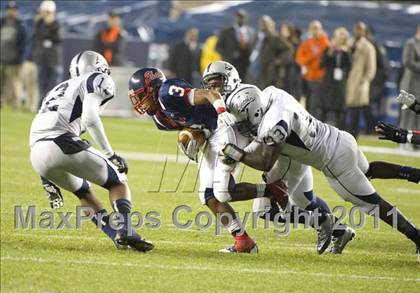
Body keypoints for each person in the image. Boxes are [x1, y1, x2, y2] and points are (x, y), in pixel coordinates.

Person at [127, 65, 317, 253]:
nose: (139, 102)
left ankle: (272, 191)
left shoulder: (167, 93)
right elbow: (197, 127)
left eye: (141, 94)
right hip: (212, 134)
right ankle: (243, 241)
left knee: (223, 191)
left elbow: (211, 94)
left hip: (225, 126)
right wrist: (192, 140)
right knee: (207, 195)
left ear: (152, 88)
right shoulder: (160, 119)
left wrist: (221, 112)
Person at [220, 79, 420, 255]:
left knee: (373, 204)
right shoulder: (271, 95)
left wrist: (235, 153)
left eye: (243, 119)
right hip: (339, 138)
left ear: (253, 110)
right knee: (367, 171)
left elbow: (265, 162)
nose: (242, 125)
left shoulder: (273, 125)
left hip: (333, 161)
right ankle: (413, 175)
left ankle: (416, 237)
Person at [202, 61, 351, 254]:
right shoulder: (235, 97)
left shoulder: (243, 98)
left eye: (216, 83)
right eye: (209, 85)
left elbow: (262, 154)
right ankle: (340, 231)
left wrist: (233, 153)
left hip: (285, 155)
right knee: (305, 201)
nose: (213, 89)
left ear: (229, 79)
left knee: (264, 210)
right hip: (292, 151)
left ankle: (322, 221)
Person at [29, 50, 153, 252]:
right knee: (118, 180)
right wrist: (110, 153)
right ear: (100, 66)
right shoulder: (97, 79)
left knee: (83, 192)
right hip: (61, 141)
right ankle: (126, 230)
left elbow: (40, 128)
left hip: (36, 154)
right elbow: (90, 117)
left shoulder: (58, 88)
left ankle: (116, 237)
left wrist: (46, 178)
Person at [346, 22, 376, 139]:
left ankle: (354, 136)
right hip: (347, 82)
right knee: (346, 111)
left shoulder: (368, 47)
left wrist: (364, 81)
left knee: (356, 112)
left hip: (358, 83)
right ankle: (345, 136)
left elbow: (371, 68)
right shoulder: (349, 43)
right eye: (356, 29)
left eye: (360, 29)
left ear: (364, 31)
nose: (358, 31)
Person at [296, 20, 330, 119]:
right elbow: (299, 59)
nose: (315, 31)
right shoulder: (307, 43)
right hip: (308, 78)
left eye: (317, 28)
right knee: (308, 102)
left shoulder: (325, 42)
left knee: (315, 104)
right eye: (313, 28)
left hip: (320, 78)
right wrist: (311, 57)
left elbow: (325, 60)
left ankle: (315, 125)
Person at [247, 16, 292, 89]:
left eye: (265, 23)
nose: (263, 25)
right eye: (262, 23)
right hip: (253, 70)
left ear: (270, 24)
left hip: (267, 72)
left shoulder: (275, 37)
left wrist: (278, 61)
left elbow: (288, 49)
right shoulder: (257, 36)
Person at [320, 27, 351, 129]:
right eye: (338, 37)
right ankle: (320, 133)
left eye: (342, 38)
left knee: (341, 110)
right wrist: (331, 51)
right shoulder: (328, 50)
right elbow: (322, 64)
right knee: (324, 109)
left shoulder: (347, 52)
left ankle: (341, 134)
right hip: (329, 84)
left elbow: (350, 66)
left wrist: (346, 52)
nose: (339, 40)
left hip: (341, 85)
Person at [34, 0, 62, 109]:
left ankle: (52, 107)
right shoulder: (39, 23)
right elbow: (39, 36)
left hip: (53, 60)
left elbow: (57, 39)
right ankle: (41, 107)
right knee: (42, 85)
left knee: (53, 85)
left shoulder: (56, 24)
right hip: (42, 59)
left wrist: (49, 26)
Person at [0, 1, 26, 110]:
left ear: (16, 11)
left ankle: (16, 105)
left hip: (14, 61)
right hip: (2, 59)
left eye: (13, 10)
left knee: (16, 85)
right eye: (9, 9)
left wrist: (19, 58)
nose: (11, 11)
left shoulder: (20, 25)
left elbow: (23, 43)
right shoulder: (2, 22)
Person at [216, 10, 254, 79]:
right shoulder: (226, 32)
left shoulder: (251, 32)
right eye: (239, 17)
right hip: (230, 65)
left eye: (243, 17)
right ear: (235, 18)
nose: (241, 19)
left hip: (245, 66)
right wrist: (230, 55)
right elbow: (218, 47)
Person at [399, 25, 420, 149]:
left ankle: (416, 143)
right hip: (410, 85)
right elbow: (407, 61)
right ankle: (402, 141)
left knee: (417, 116)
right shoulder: (411, 44)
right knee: (407, 114)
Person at [280, 23, 303, 100]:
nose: (283, 32)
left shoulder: (295, 43)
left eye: (285, 30)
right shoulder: (278, 42)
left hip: (292, 69)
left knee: (291, 90)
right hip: (282, 70)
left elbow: (296, 58)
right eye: (282, 30)